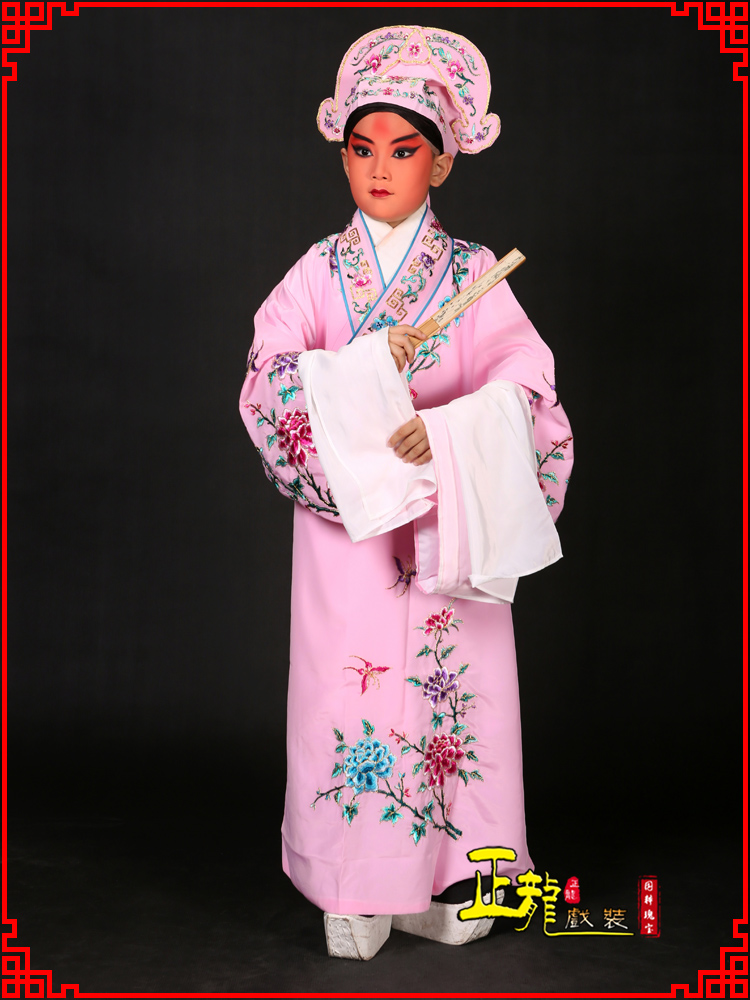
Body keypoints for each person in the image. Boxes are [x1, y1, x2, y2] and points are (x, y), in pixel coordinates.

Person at [239, 24, 573, 960]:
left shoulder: (472, 275)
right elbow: (269, 379)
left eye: (404, 149)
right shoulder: (318, 273)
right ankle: (356, 885)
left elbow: (528, 385)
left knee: (452, 703)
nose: (380, 168)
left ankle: (454, 879)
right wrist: (355, 375)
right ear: (343, 154)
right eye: (362, 148)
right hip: (349, 545)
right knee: (351, 699)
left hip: (443, 528)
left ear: (444, 162)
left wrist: (456, 428)